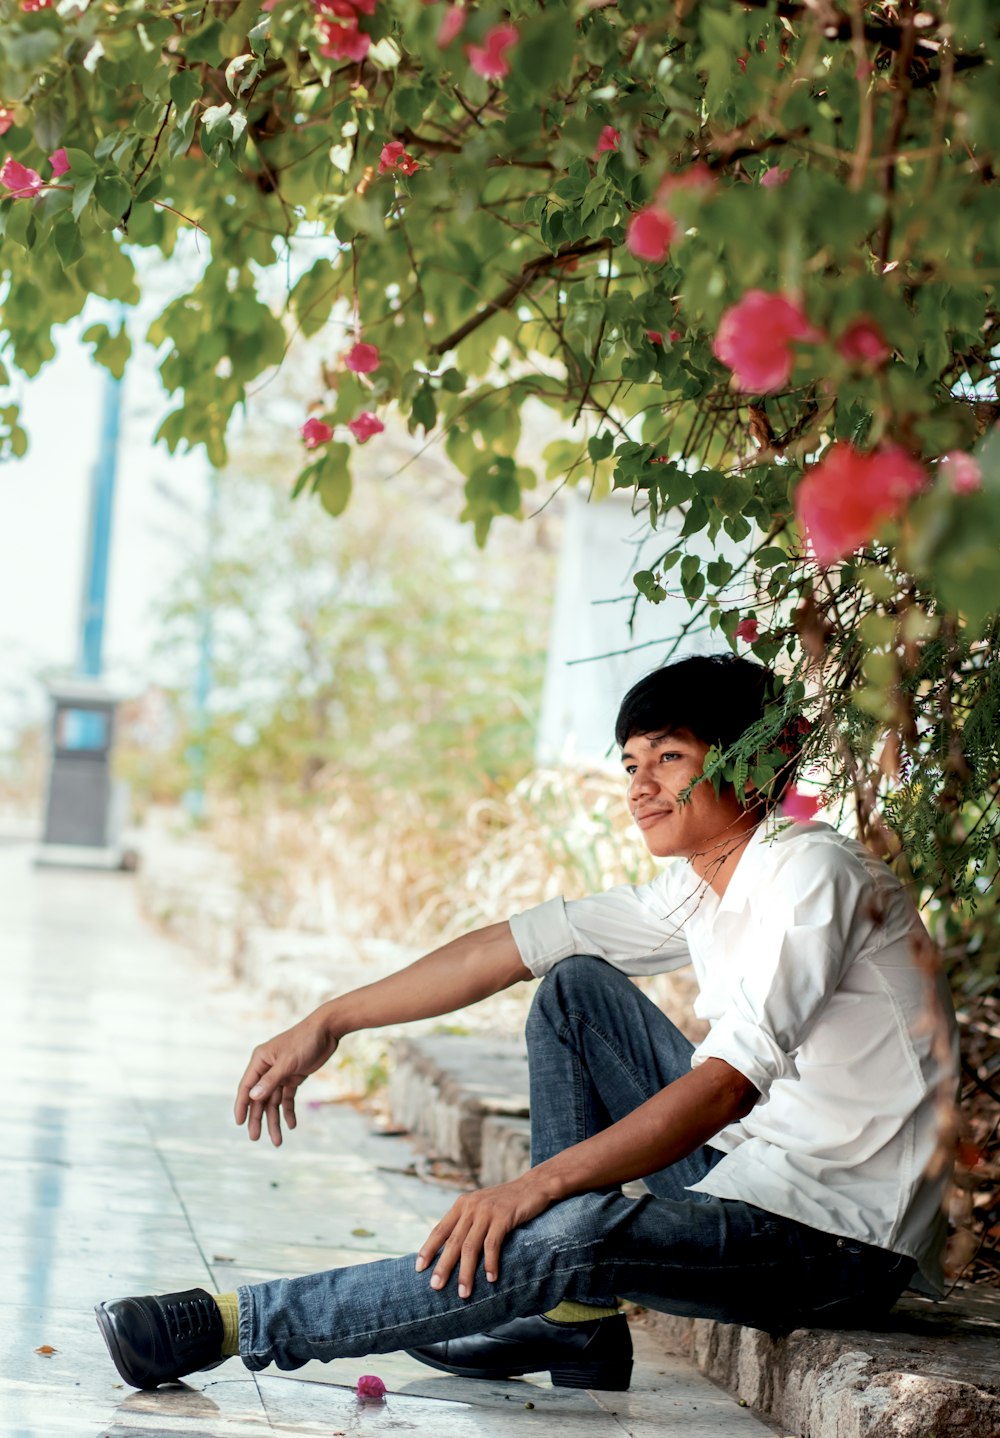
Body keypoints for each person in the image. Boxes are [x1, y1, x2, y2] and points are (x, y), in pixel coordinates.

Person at [95, 654, 957, 1394]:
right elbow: (514, 948)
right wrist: (332, 1020)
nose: (641, 787)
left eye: (669, 757)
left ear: (760, 761)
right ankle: (576, 1322)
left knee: (569, 1231)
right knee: (574, 988)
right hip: (757, 1175)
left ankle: (231, 1324)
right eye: (629, 764)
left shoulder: (810, 876)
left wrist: (532, 1190)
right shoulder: (704, 880)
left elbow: (724, 1088)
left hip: (836, 1241)